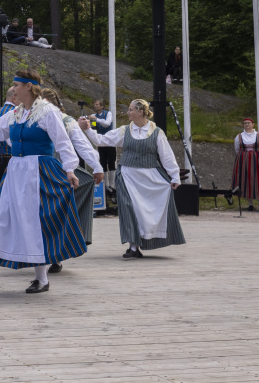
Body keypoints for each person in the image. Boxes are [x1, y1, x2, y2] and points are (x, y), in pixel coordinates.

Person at [0, 69, 85, 293]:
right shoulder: (16, 113)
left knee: (34, 221)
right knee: (2, 217)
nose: (14, 88)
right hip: (16, 171)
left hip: (38, 170)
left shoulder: (47, 111)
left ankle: (42, 279)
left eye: (17, 84)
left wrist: (70, 169)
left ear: (29, 86)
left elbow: (62, 142)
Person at [79, 99, 185, 259]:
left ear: (141, 112)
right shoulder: (125, 131)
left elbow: (167, 156)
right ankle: (133, 247)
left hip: (150, 177)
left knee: (151, 209)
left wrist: (175, 175)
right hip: (128, 176)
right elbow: (101, 140)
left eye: (130, 110)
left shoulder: (156, 132)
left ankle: (153, 238)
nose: (127, 112)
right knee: (128, 208)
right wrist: (88, 129)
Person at [40, 88, 104, 271]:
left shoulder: (66, 121)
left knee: (53, 211)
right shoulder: (33, 118)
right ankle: (49, 253)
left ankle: (57, 254)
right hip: (41, 170)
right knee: (46, 212)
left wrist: (97, 167)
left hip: (60, 171)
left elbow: (82, 146)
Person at [232, 118, 259, 213]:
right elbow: (237, 149)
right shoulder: (239, 136)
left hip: (257, 161)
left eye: (248, 123)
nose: (247, 124)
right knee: (246, 181)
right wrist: (244, 157)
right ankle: (250, 205)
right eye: (245, 123)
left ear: (252, 124)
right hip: (243, 161)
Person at [89, 100, 117, 190]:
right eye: (94, 104)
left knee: (111, 161)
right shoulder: (94, 116)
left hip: (110, 140)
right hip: (101, 141)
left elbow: (107, 124)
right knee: (103, 162)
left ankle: (112, 184)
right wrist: (91, 122)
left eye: (97, 104)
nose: (95, 105)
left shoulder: (108, 113)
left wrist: (96, 119)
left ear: (102, 106)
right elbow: (94, 127)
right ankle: (106, 184)